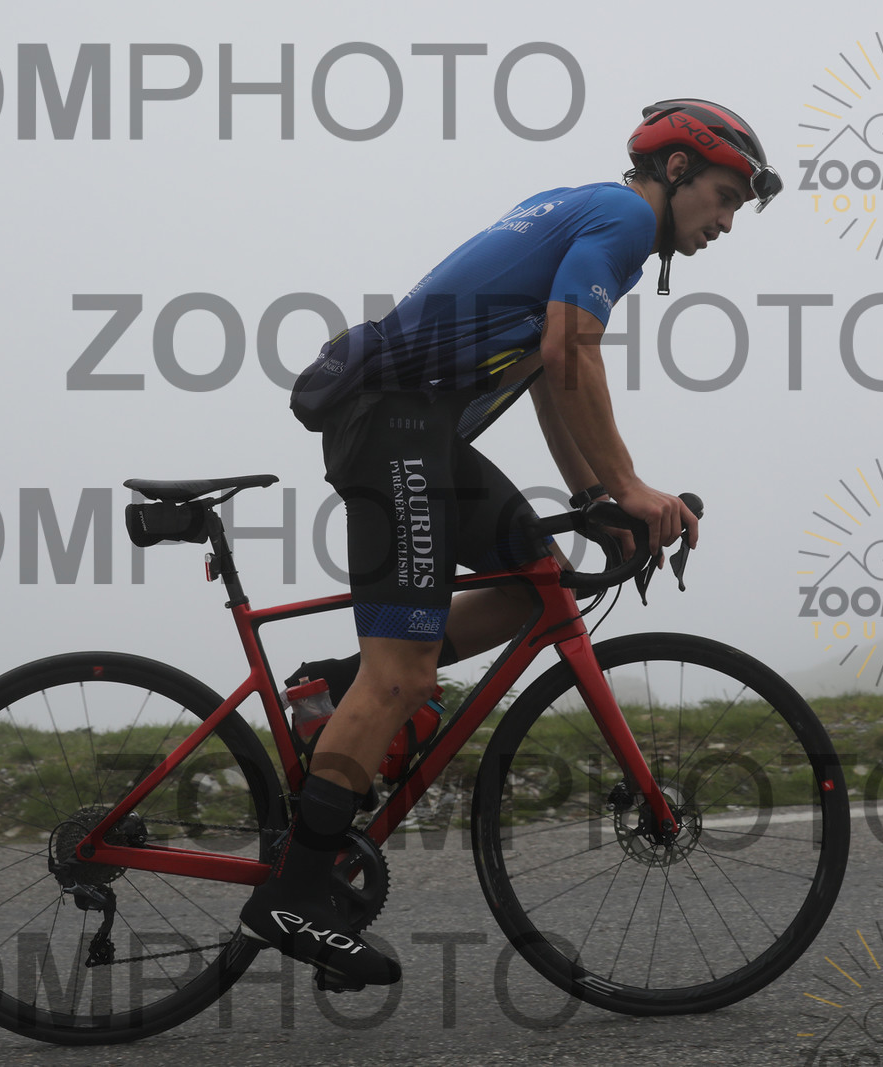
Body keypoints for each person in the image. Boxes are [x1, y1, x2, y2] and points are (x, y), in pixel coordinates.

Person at [239, 98, 782, 990]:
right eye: (724, 198)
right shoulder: (621, 220)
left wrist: (593, 496)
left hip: (419, 432)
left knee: (542, 584)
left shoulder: (591, 213)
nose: (726, 222)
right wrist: (632, 485)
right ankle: (294, 892)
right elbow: (572, 351)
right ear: (678, 170)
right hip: (396, 428)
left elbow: (542, 372)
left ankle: (330, 695)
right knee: (403, 673)